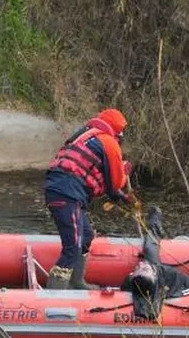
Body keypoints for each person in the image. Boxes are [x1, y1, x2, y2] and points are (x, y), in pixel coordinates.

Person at [43, 108, 134, 290]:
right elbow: (115, 184)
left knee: (86, 236)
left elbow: (107, 185)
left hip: (63, 190)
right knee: (72, 248)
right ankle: (53, 293)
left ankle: (77, 282)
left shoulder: (85, 135)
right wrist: (124, 173)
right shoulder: (109, 142)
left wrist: (121, 196)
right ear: (118, 132)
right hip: (67, 194)